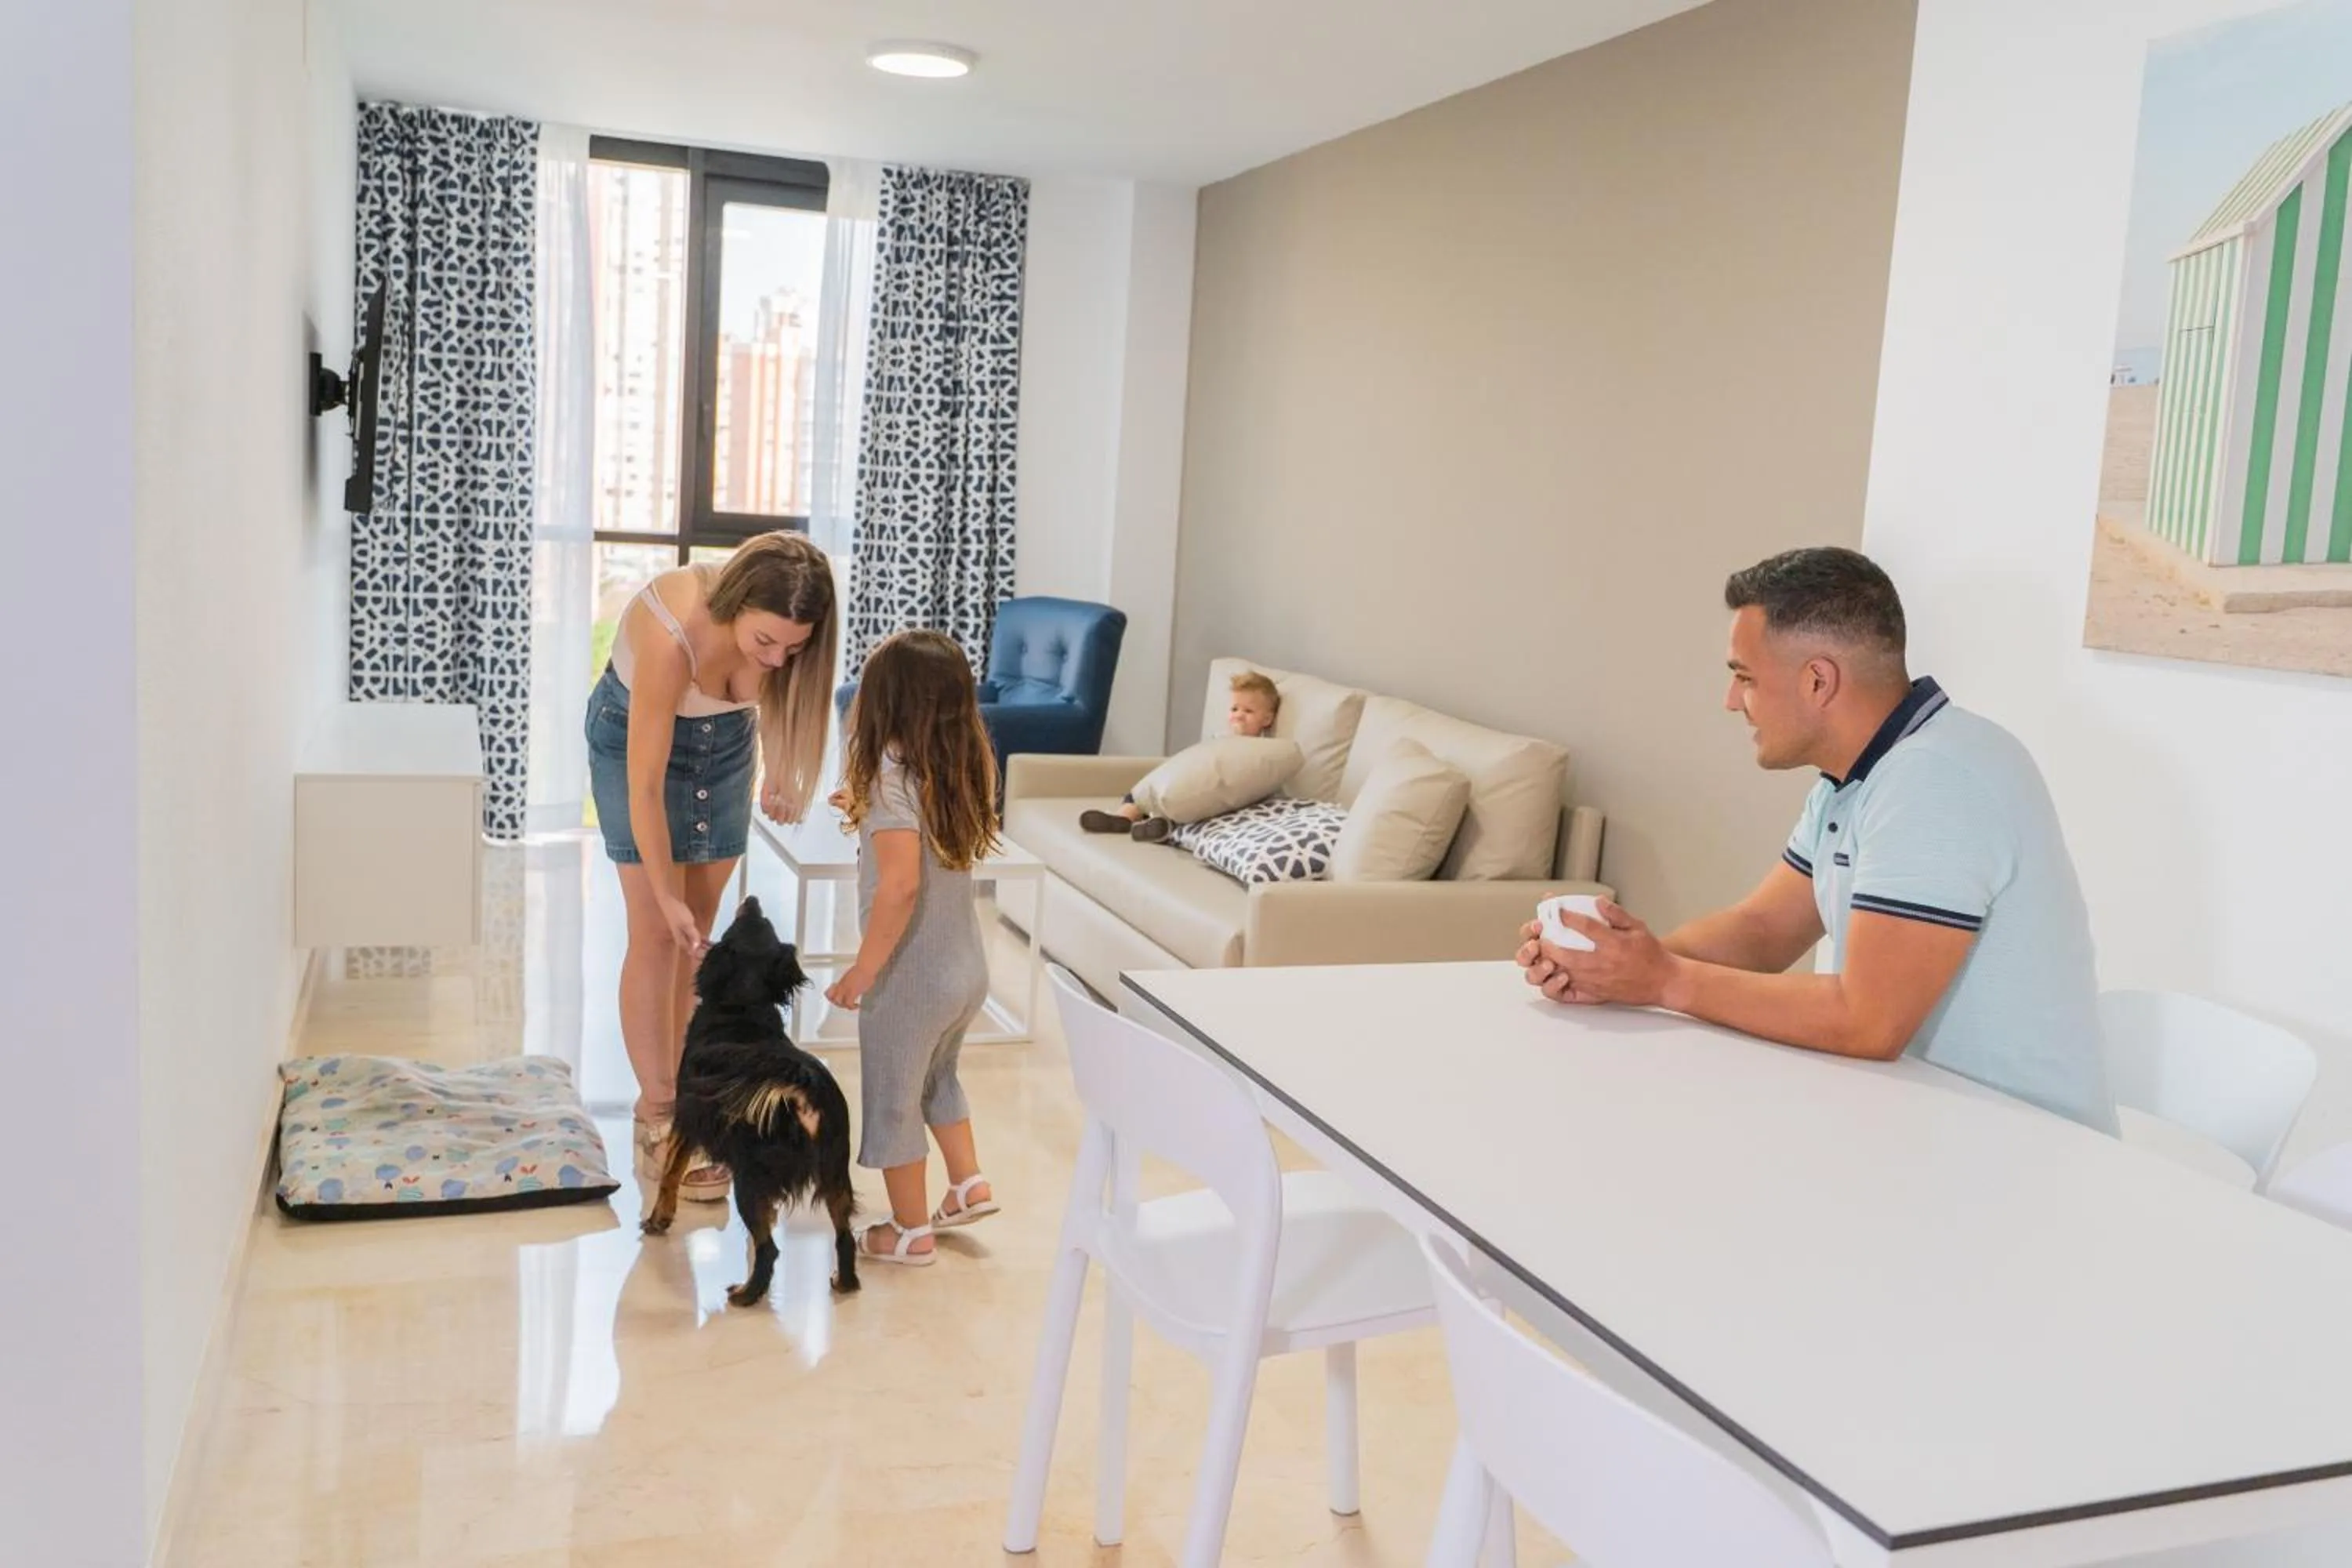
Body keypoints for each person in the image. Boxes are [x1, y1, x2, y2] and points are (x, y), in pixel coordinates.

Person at [1517, 547, 2115, 1132]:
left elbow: (1867, 1021)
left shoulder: (1938, 778)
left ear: (1818, 681)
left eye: (1745, 678)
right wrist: (1611, 963)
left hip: (2025, 1150)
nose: (1731, 702)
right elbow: (1763, 931)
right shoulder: (1856, 780)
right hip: (1924, 1119)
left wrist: (1663, 980)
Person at [585, 532, 838, 1203]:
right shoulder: (674, 636)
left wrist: (782, 766)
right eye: (765, 645)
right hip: (635, 744)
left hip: (725, 744)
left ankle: (689, 1093)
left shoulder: (781, 644)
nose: (778, 659)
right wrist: (662, 891)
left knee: (696, 932)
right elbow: (643, 784)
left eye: (794, 648)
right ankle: (658, 1112)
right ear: (735, 605)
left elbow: (786, 698)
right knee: (656, 928)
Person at [824, 630, 1003, 1265]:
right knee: (938, 1077)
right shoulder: (963, 767)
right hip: (966, 971)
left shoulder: (887, 775)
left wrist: (864, 972)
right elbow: (918, 829)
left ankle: (908, 1232)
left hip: (911, 980)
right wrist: (867, 805)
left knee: (893, 1097)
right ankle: (967, 1184)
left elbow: (899, 887)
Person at [1077, 669, 1280, 842]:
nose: (1238, 715)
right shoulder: (1220, 738)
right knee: (1141, 794)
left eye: (1248, 711)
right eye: (1234, 708)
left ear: (1267, 719)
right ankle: (1123, 819)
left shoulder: (1260, 751)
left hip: (1208, 796)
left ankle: (1158, 827)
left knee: (1188, 807)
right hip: (1191, 781)